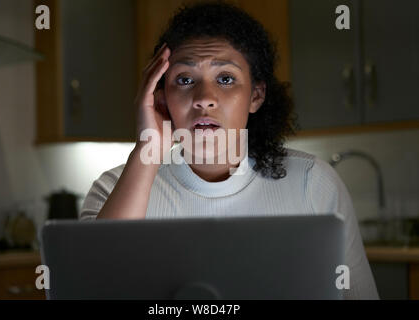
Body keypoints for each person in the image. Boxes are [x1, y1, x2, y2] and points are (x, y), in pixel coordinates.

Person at [79, 1, 379, 300]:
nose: (204, 98)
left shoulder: (313, 183)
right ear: (160, 95)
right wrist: (148, 148)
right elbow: (90, 291)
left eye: (225, 79)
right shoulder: (111, 189)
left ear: (256, 96)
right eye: (184, 80)